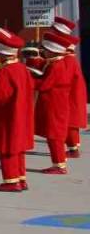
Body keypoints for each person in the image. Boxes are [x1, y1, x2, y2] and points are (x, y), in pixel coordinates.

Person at [0, 28, 34, 191]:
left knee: (7, 148)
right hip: (22, 114)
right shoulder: (22, 69)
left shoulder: (6, 71)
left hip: (8, 117)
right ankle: (21, 178)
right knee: (19, 149)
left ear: (1, 53)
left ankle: (11, 180)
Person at [34, 30, 78, 175]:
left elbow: (45, 85)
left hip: (54, 105)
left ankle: (59, 165)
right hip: (57, 103)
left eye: (46, 50)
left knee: (54, 136)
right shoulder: (56, 63)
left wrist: (30, 81)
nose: (44, 52)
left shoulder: (56, 66)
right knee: (55, 135)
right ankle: (59, 163)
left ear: (52, 51)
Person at [51, 16, 85, 158]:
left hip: (69, 88)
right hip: (72, 84)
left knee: (70, 117)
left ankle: (73, 148)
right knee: (72, 116)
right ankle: (74, 146)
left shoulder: (65, 47)